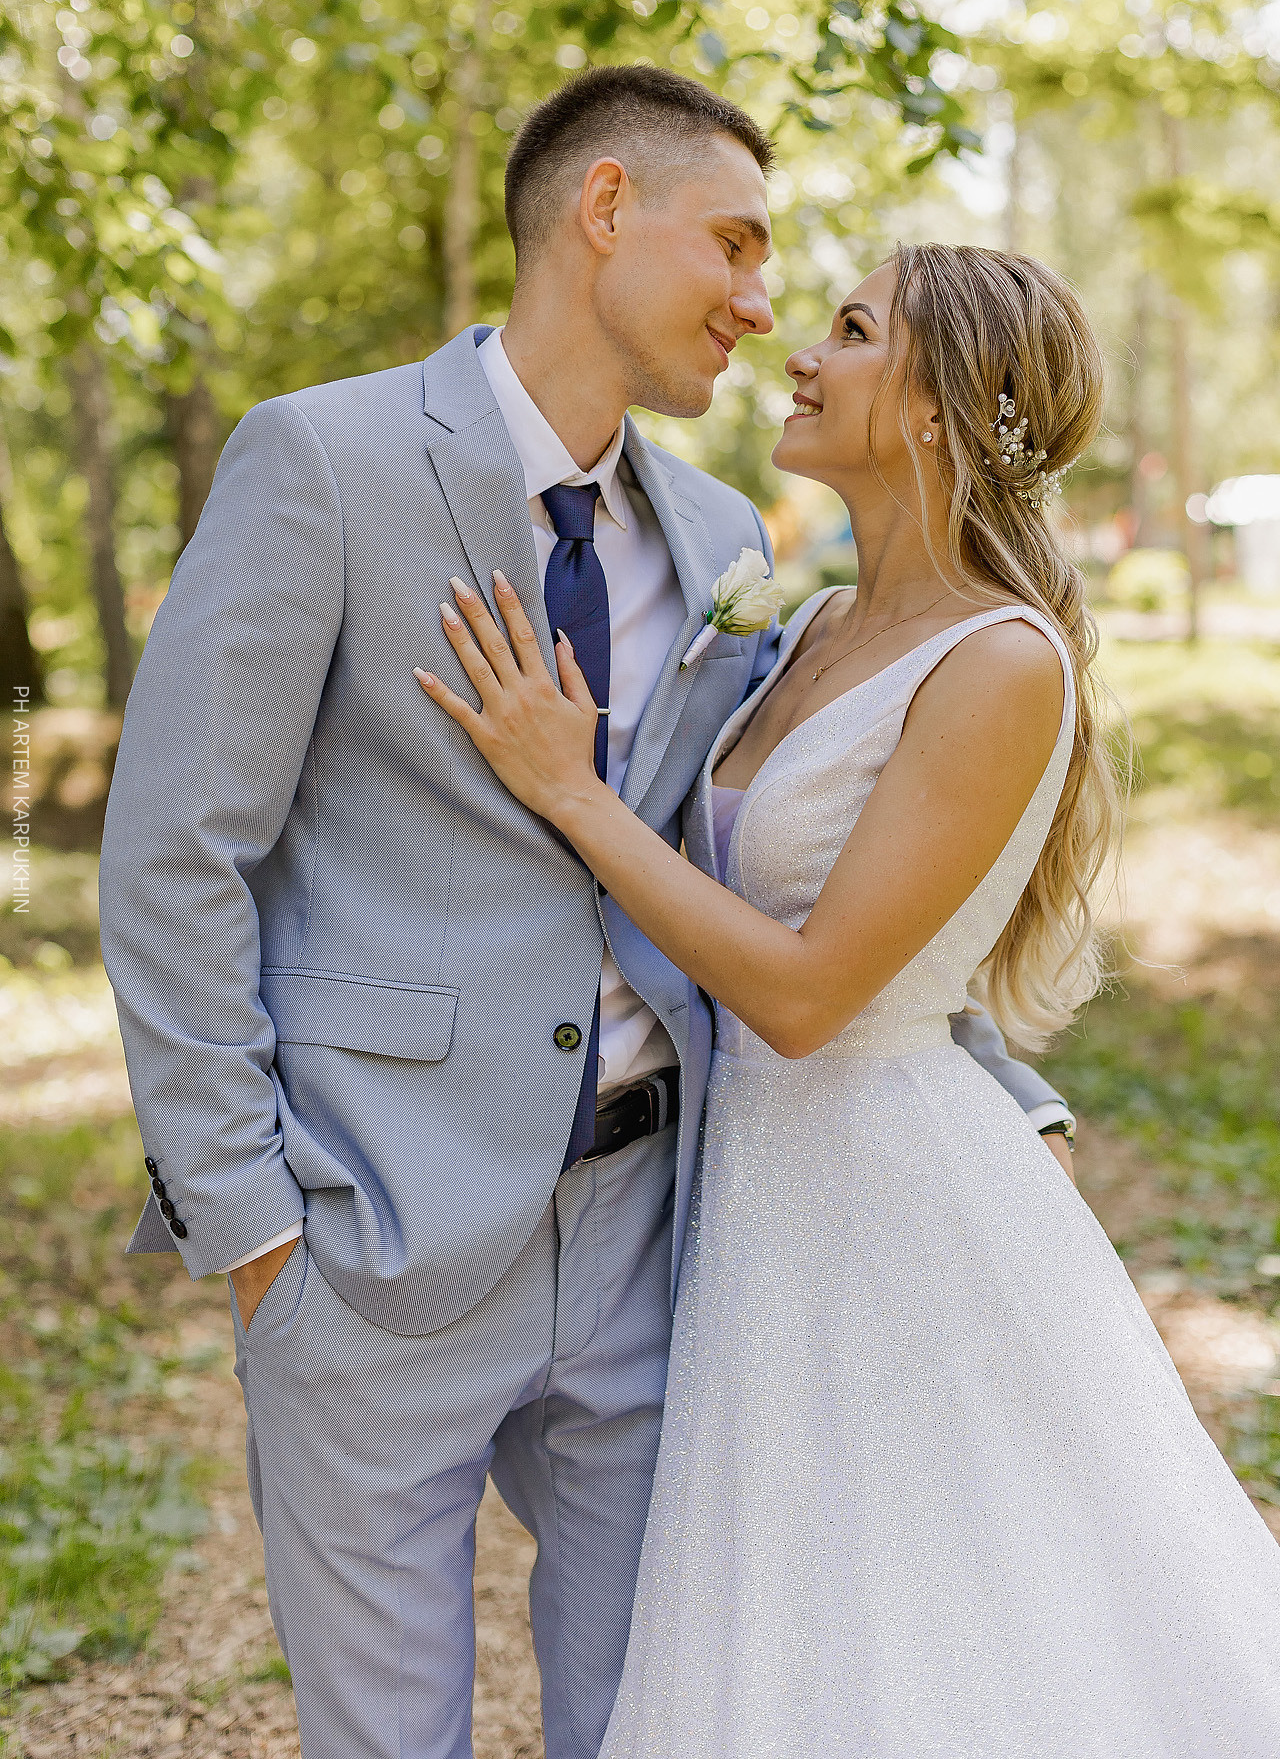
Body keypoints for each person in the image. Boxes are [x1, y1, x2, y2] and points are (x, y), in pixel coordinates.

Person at [98, 65, 1072, 1759]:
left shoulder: (718, 535)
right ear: (607, 211)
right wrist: (253, 1231)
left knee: (662, 1715)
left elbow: (795, 851)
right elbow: (177, 851)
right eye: (740, 244)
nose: (766, 305)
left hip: (653, 1241)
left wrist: (996, 1079)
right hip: (366, 1235)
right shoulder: (322, 462)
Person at [418, 241, 1280, 1757]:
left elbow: (814, 995)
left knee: (940, 1620)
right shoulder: (804, 628)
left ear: (942, 405)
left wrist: (574, 794)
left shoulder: (1003, 663)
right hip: (755, 1189)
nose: (798, 352)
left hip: (895, 1201)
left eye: (852, 329)